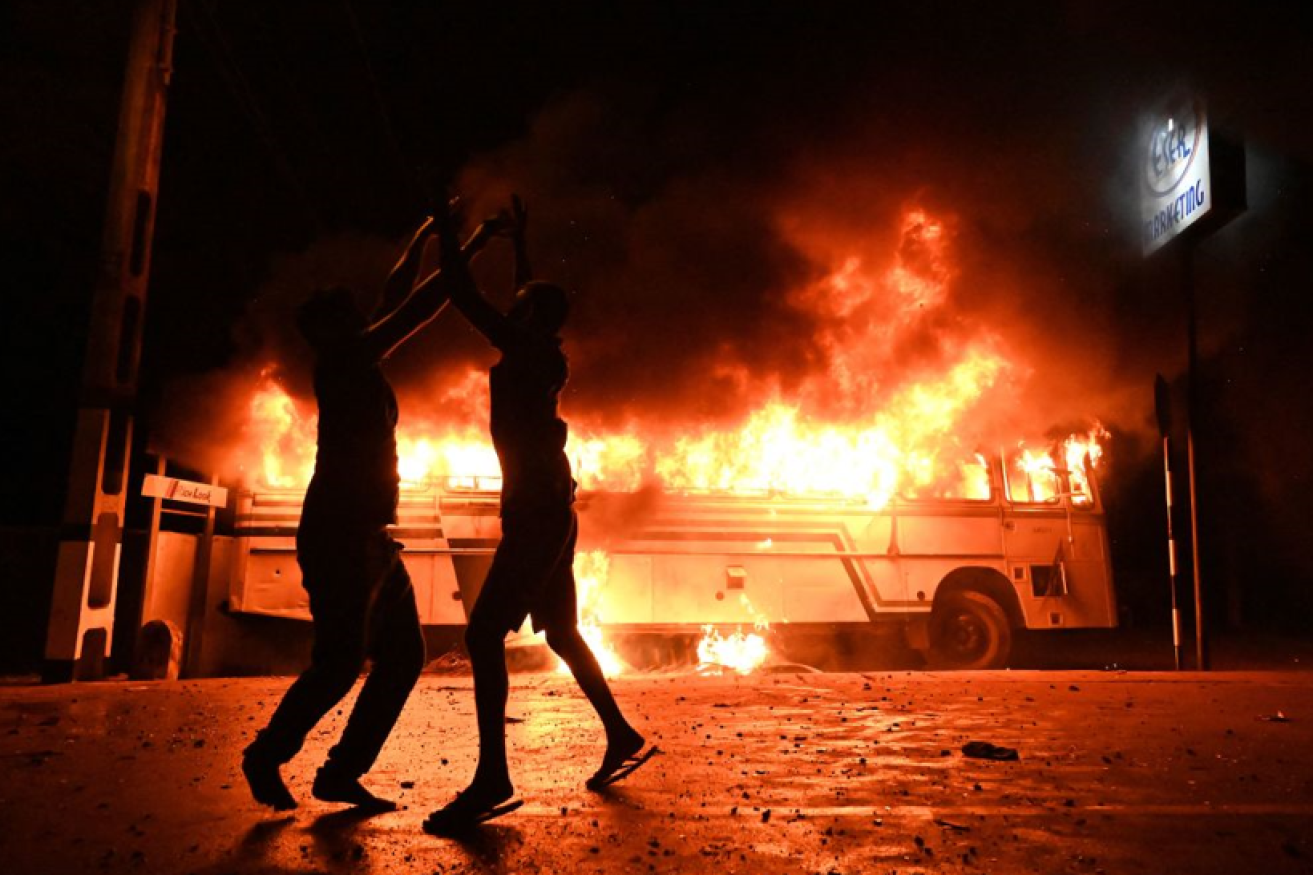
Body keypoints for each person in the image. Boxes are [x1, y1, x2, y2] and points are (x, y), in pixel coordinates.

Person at [242, 210, 491, 812]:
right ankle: (265, 755)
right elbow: (418, 307)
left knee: (403, 657)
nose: (365, 316)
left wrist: (429, 231)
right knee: (338, 664)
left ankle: (339, 774)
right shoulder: (345, 362)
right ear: (334, 331)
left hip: (372, 539)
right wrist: (472, 243)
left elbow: (395, 293)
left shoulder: (355, 356)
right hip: (341, 536)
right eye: (353, 316)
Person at [423, 196, 655, 835]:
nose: (514, 304)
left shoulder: (525, 347)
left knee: (482, 637)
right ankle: (621, 733)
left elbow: (462, 296)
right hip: (552, 506)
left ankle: (493, 778)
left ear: (529, 315)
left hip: (538, 513)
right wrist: (519, 245)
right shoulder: (542, 346)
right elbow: (526, 299)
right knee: (559, 632)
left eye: (521, 301)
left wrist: (453, 237)